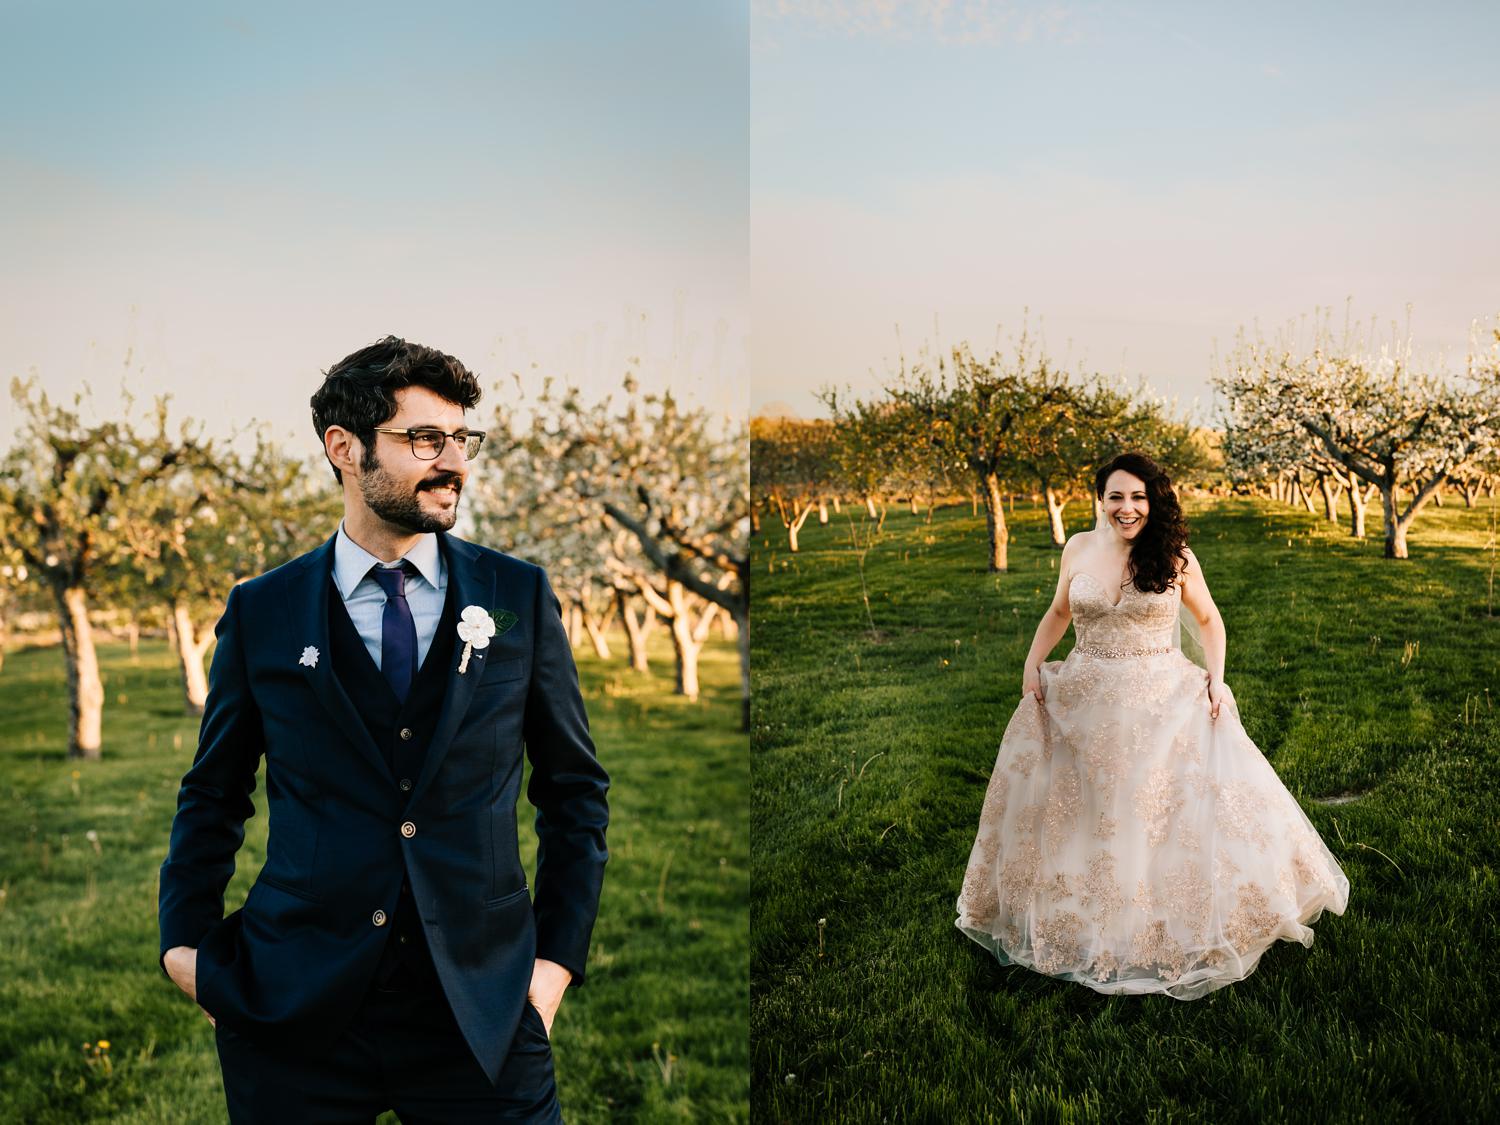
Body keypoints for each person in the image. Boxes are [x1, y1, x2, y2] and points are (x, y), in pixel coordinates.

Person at [158, 336, 610, 1121]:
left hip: (485, 1008)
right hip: (297, 1005)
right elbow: (213, 792)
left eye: (461, 439)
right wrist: (184, 949)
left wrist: (553, 967)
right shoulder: (263, 610)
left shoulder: (520, 596)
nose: (454, 462)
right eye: (424, 439)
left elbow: (573, 790)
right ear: (344, 448)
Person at [955, 451, 1347, 999]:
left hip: (1159, 699)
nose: (1127, 507)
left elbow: (1209, 620)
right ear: (1100, 500)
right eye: (1116, 496)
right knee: (1087, 810)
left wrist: (1216, 679)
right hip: (1086, 695)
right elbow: (1060, 612)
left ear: (1153, 500)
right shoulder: (1078, 548)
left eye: (1138, 496)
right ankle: (1083, 917)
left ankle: (1160, 923)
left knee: (1155, 812)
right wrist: (1031, 662)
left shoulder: (1175, 556)